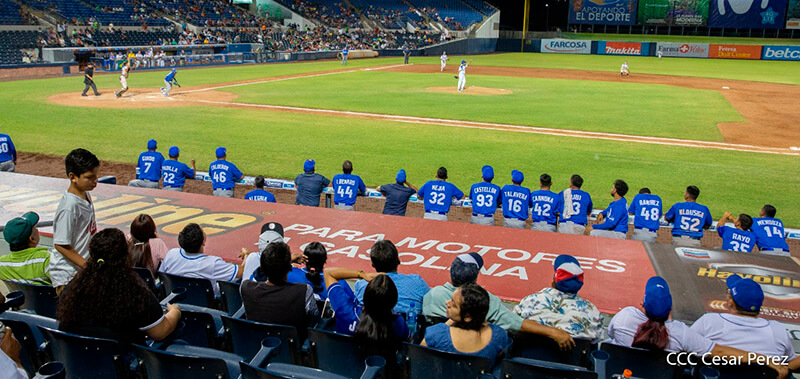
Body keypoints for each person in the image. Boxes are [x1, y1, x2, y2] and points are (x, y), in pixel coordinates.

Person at [608, 276, 788, 377]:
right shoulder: (681, 332)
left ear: (642, 304)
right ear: (670, 308)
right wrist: (764, 359)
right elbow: (719, 352)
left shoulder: (625, 316)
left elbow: (610, 336)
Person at [57, 228, 181, 347]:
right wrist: (175, 312)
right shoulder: (135, 292)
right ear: (126, 255)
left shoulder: (73, 289)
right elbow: (160, 332)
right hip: (121, 363)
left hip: (77, 363)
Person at [423, 254, 576, 349]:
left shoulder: (432, 294)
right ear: (475, 279)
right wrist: (553, 331)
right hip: (474, 352)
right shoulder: (486, 302)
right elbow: (519, 325)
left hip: (437, 349)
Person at [691, 275, 797, 360]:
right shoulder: (777, 331)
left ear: (731, 301)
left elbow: (684, 346)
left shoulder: (710, 322)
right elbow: (789, 362)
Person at [324, 268, 409, 363]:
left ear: (365, 297)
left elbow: (328, 273)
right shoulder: (399, 322)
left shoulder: (346, 311)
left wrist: (362, 275)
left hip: (344, 369)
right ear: (394, 301)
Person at [241, 242, 319, 342]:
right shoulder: (303, 291)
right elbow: (315, 319)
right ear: (290, 268)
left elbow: (259, 273)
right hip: (293, 349)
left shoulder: (247, 288)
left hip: (256, 345)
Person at [514, 255, 603, 341]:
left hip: (526, 354)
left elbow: (511, 322)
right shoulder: (592, 312)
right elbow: (596, 339)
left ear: (554, 280)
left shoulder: (531, 301)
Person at [422, 284, 511, 367]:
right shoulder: (499, 335)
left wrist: (446, 325)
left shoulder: (436, 333)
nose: (447, 303)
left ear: (467, 317)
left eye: (453, 304)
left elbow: (418, 355)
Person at [51, 148, 99, 292]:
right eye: (90, 177)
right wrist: (87, 266)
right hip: (67, 274)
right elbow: (60, 244)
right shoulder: (69, 207)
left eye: (96, 176)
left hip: (79, 270)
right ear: (73, 177)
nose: (95, 181)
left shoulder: (84, 194)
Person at [158, 223, 250, 295]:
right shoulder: (212, 264)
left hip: (174, 301)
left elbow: (162, 275)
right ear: (203, 241)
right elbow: (242, 272)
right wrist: (247, 256)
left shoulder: (172, 254)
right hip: (208, 307)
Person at [354, 240, 429, 314]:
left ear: (373, 264)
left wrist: (360, 274)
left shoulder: (361, 285)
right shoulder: (417, 282)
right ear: (398, 260)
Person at [0, 212, 51, 285]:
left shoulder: (2, 264)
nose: (37, 230)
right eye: (35, 228)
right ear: (32, 239)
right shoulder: (46, 259)